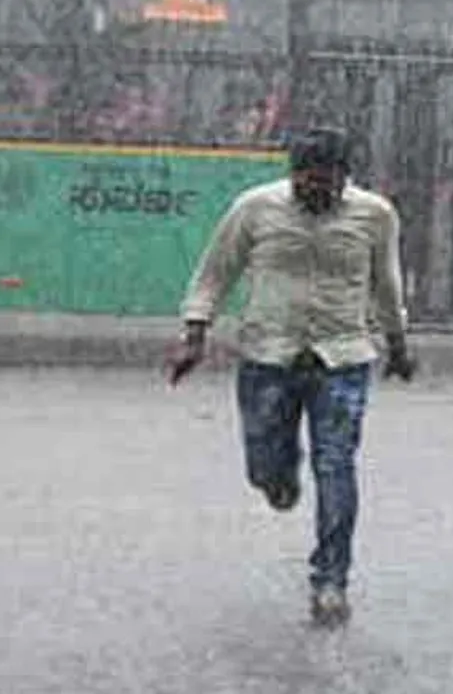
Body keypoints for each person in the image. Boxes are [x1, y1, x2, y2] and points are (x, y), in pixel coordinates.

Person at [166, 126, 417, 626]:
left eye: (327, 183)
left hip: (342, 358)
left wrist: (398, 344)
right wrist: (195, 334)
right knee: (265, 463)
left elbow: (386, 283)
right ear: (292, 176)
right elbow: (216, 271)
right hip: (268, 354)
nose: (317, 192)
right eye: (307, 182)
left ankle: (331, 581)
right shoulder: (254, 208)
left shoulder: (375, 215)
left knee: (336, 464)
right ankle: (279, 478)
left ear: (346, 178)